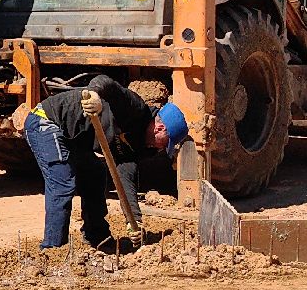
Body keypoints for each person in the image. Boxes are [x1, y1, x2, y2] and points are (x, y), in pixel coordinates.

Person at [15, 75, 189, 249]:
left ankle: (97, 238)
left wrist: (134, 220)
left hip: (73, 139)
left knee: (95, 174)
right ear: (160, 128)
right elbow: (106, 82)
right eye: (166, 143)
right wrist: (95, 95)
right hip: (45, 121)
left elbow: (125, 181)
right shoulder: (135, 109)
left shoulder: (141, 147)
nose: (162, 149)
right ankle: (53, 248)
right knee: (63, 183)